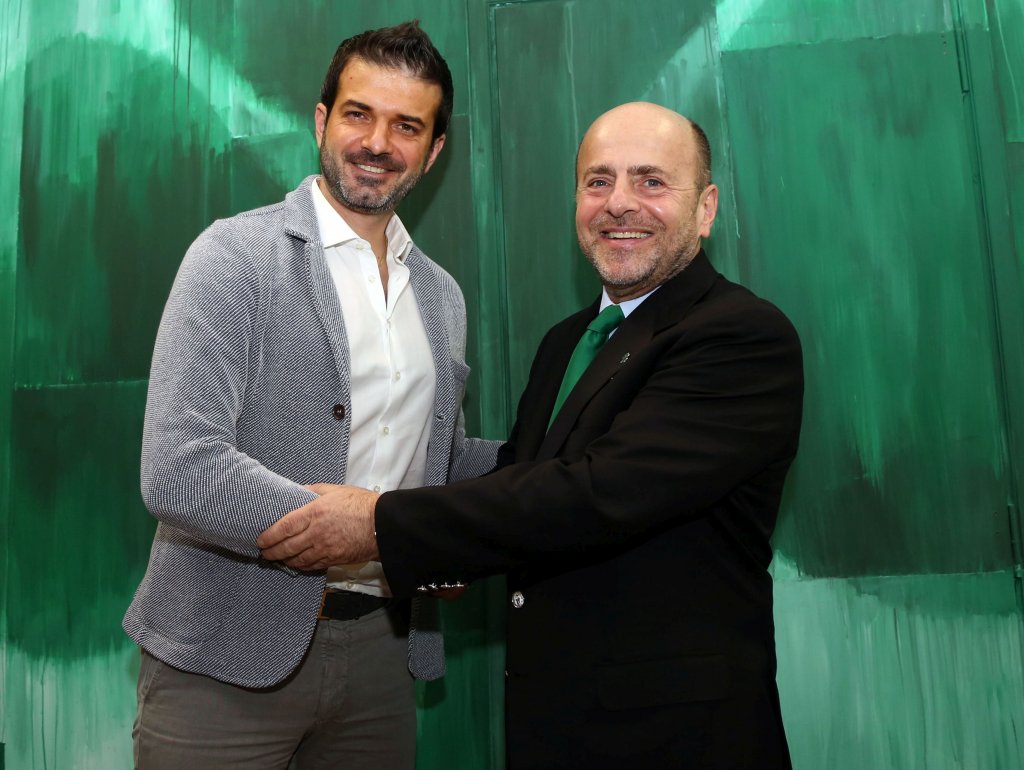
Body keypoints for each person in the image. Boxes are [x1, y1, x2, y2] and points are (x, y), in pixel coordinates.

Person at [259, 102, 805, 769]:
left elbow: (597, 493)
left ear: (706, 208)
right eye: (598, 181)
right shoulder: (566, 343)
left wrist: (379, 523)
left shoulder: (741, 335)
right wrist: (446, 551)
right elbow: (525, 475)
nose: (619, 203)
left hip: (679, 738)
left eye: (652, 181)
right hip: (558, 728)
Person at [123, 20, 497, 769]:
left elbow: (437, 461)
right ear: (322, 120)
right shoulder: (233, 255)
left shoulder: (442, 296)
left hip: (383, 660)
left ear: (434, 150)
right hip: (222, 653)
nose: (377, 143)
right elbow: (181, 468)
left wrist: (558, 459)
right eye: (359, 114)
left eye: (407, 126)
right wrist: (376, 530)